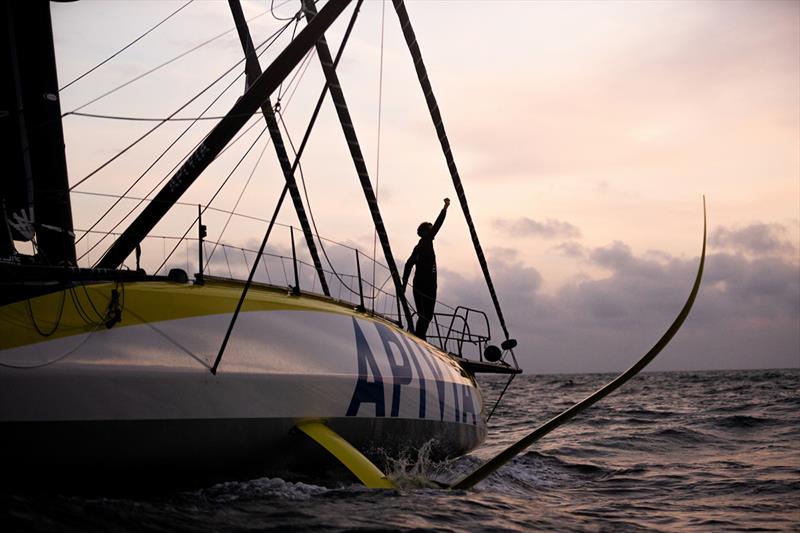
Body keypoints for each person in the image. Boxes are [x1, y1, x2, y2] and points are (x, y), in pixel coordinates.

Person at [402, 198, 450, 340]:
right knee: (425, 315)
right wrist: (445, 208)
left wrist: (404, 285)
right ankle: (419, 337)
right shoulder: (426, 242)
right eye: (430, 228)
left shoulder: (419, 247)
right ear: (425, 232)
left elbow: (408, 264)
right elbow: (438, 225)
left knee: (426, 316)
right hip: (425, 286)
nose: (432, 229)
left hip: (427, 285)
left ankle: (419, 336)